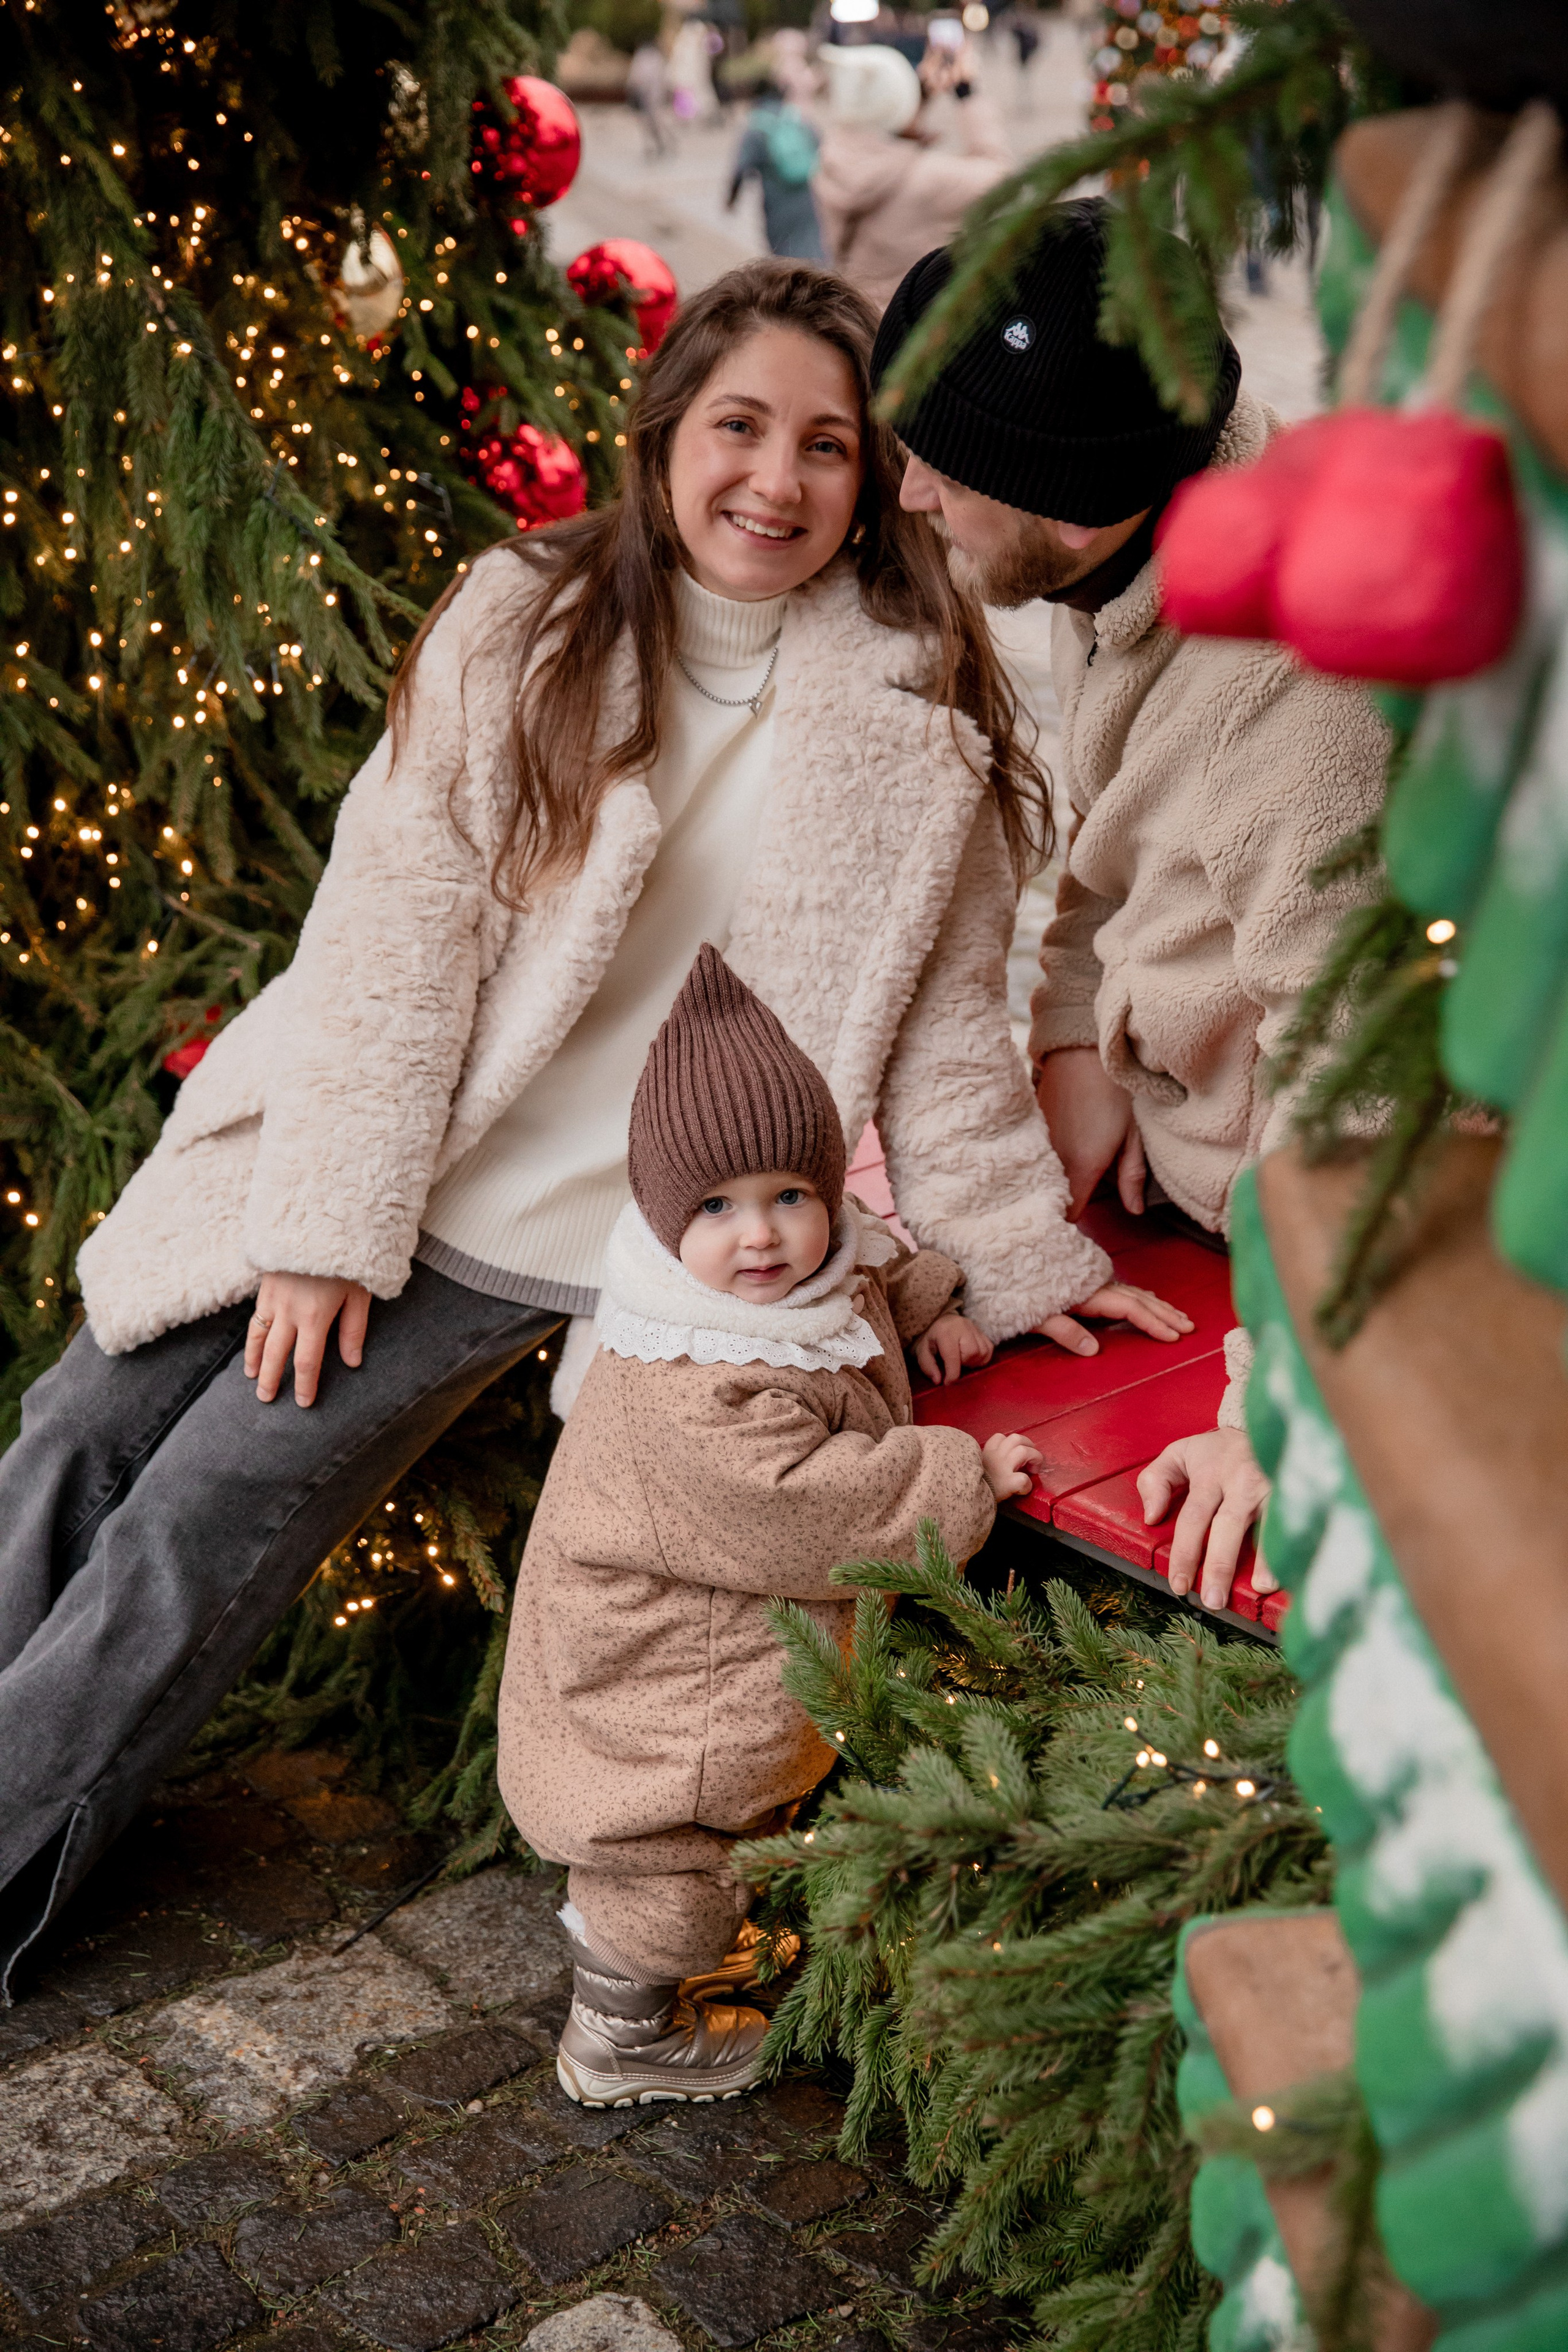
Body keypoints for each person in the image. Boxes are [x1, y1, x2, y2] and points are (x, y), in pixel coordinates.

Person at [0, 257, 1185, 1997]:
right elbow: (392, 932)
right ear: (664, 433)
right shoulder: (529, 620)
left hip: (596, 1229)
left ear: (874, 479)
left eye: (827, 445)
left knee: (204, 1511)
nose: (774, 480)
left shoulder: (916, 710)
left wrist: (1014, 1260)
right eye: (739, 427)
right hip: (379, 1141)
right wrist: (328, 1226)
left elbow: (943, 1038)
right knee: (78, 1419)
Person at [874, 202, 1390, 1611]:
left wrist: (1286, 1415)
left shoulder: (1303, 698)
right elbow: (1112, 838)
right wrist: (1066, 1037)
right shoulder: (1128, 527)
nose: (907, 492)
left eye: (946, 470)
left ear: (1067, 501)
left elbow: (1369, 1074)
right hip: (1180, 1133)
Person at [499, 946, 1042, 2104]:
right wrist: (961, 1478)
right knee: (667, 1853)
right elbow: (807, 1505)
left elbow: (856, 1289)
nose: (760, 1236)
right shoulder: (690, 1377)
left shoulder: (789, 1284)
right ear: (665, 1219)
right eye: (716, 1207)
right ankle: (620, 2039)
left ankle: (673, 1974)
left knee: (710, 1845)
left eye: (789, 1195)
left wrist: (925, 1309)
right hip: (661, 1677)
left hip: (705, 1639)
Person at [813, 41, 1011, 316]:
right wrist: (966, 93)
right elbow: (1001, 179)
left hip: (862, 321)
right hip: (916, 325)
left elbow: (881, 128)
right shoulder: (926, 179)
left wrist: (917, 97)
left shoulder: (831, 163)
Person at [726, 76, 824, 260]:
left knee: (783, 251)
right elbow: (820, 146)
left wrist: (731, 200)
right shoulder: (797, 118)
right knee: (812, 244)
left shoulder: (756, 127)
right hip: (807, 197)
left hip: (776, 201)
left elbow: (741, 169)